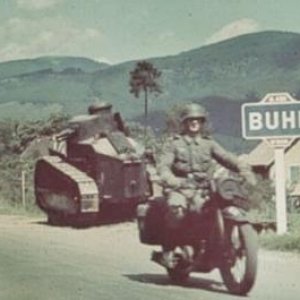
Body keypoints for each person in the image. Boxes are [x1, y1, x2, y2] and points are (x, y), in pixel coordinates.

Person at [157, 103, 256, 268]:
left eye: (198, 120)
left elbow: (226, 157)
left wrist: (243, 168)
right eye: (190, 120)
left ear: (202, 123)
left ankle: (213, 243)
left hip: (204, 187)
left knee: (215, 206)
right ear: (184, 123)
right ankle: (169, 249)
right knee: (177, 209)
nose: (194, 123)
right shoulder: (174, 143)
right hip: (180, 187)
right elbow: (163, 166)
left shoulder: (208, 144)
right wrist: (171, 179)